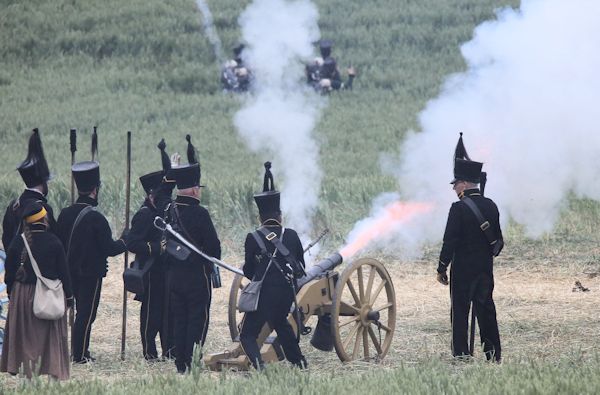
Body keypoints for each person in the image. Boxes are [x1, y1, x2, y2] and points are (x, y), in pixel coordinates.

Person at [57, 132, 127, 363]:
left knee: (77, 314)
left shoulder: (65, 214)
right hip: (90, 275)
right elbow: (109, 248)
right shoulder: (96, 218)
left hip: (68, 272)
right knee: (86, 315)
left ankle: (80, 351)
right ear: (95, 189)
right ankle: (80, 355)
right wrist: (126, 240)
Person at [437, 133, 503, 362]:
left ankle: (462, 355)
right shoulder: (491, 205)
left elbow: (450, 241)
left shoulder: (458, 208)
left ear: (464, 183)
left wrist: (441, 267)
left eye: (456, 184)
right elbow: (499, 242)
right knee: (486, 309)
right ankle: (493, 354)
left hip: (463, 268)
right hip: (485, 267)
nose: (454, 188)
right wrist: (486, 256)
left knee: (460, 312)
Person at [239, 162, 307, 370]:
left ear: (260, 217)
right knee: (281, 324)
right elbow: (301, 267)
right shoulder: (292, 235)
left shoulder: (253, 237)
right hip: (286, 294)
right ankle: (299, 363)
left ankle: (259, 367)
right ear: (279, 214)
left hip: (263, 296)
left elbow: (249, 271)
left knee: (247, 335)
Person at [165, 135, 221, 374]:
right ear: (195, 189)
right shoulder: (200, 214)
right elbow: (214, 249)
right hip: (197, 276)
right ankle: (191, 361)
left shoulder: (169, 209)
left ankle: (180, 363)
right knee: (197, 321)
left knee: (179, 319)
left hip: (174, 275)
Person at [0, 202, 73, 380]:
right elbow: (64, 272)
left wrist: (12, 293)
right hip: (49, 295)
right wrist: (69, 297)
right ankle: (53, 379)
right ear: (44, 219)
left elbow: (9, 273)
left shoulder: (18, 241)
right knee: (51, 340)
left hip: (23, 295)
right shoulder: (54, 241)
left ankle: (28, 382)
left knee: (26, 340)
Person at [126, 139, 177, 360]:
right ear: (150, 194)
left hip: (165, 270)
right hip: (149, 271)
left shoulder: (160, 210)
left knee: (167, 312)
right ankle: (149, 352)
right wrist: (156, 247)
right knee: (150, 314)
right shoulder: (144, 215)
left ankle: (169, 350)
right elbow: (132, 242)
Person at [2, 128, 57, 250]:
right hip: (38, 268)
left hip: (16, 267)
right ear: (43, 182)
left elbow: (6, 240)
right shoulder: (44, 209)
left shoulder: (12, 207)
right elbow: (54, 243)